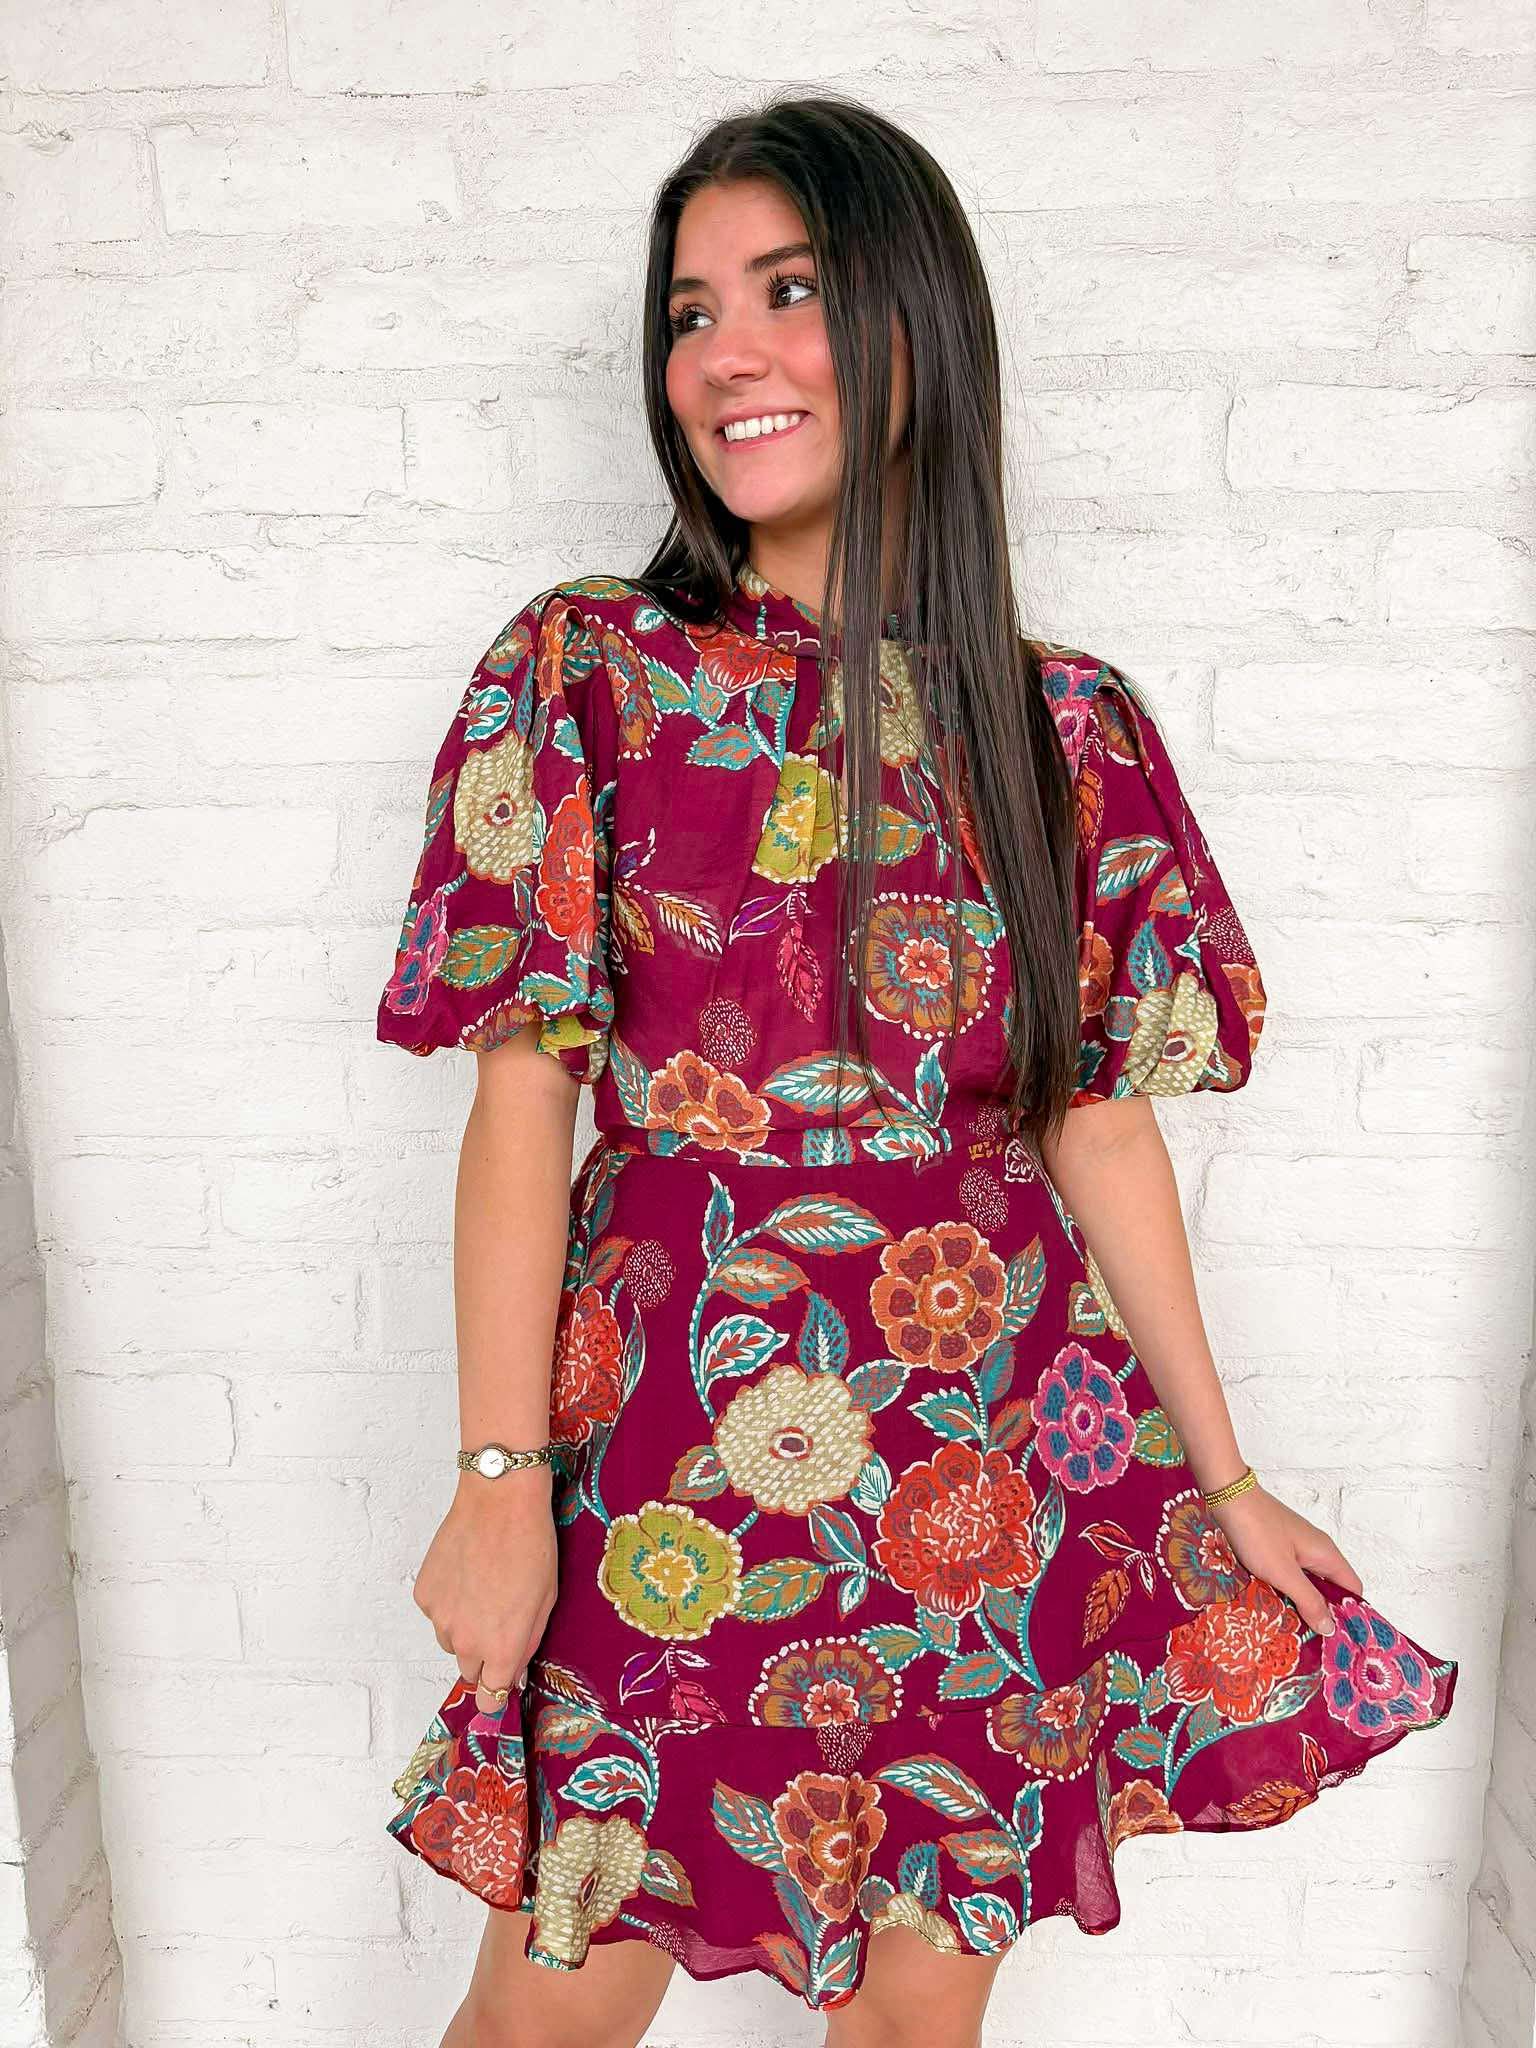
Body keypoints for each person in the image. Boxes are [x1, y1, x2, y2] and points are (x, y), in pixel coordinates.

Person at [374, 95, 1459, 2048]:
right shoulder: (587, 674)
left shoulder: (1063, 729)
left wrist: (1224, 1479)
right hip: (661, 1468)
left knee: (907, 2026)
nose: (727, 352)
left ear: (912, 325)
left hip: (982, 1462)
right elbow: (523, 1096)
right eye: (691, 310)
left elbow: (1094, 1120)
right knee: (548, 2021)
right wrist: (497, 1483)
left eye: (787, 291)